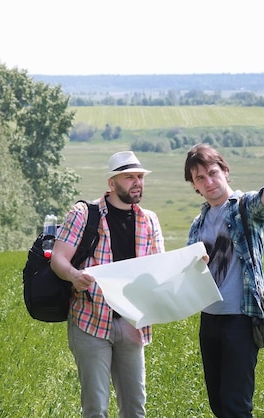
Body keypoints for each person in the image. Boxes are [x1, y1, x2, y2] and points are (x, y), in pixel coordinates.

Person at [51, 150, 165, 418]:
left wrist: (192, 263)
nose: (137, 182)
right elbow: (58, 259)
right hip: (90, 321)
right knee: (96, 408)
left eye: (140, 177)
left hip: (132, 322)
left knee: (135, 408)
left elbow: (159, 270)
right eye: (129, 177)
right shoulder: (83, 214)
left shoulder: (149, 220)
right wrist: (74, 276)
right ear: (112, 184)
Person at [183, 143, 264, 418]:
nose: (209, 182)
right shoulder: (199, 222)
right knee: (219, 405)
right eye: (200, 178)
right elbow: (187, 269)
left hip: (240, 320)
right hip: (209, 319)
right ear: (195, 186)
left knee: (236, 406)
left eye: (213, 172)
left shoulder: (242, 207)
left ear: (225, 171)